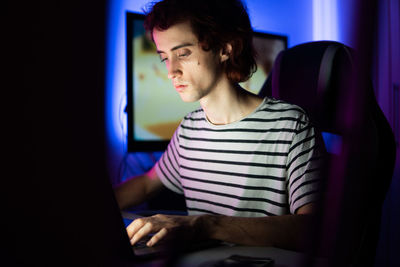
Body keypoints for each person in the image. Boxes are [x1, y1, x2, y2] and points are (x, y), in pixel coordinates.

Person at [114, 0, 324, 251]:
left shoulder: (291, 125)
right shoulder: (189, 128)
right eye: (164, 58)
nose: (171, 71)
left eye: (183, 54)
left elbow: (312, 229)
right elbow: (147, 184)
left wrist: (205, 225)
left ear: (226, 48)